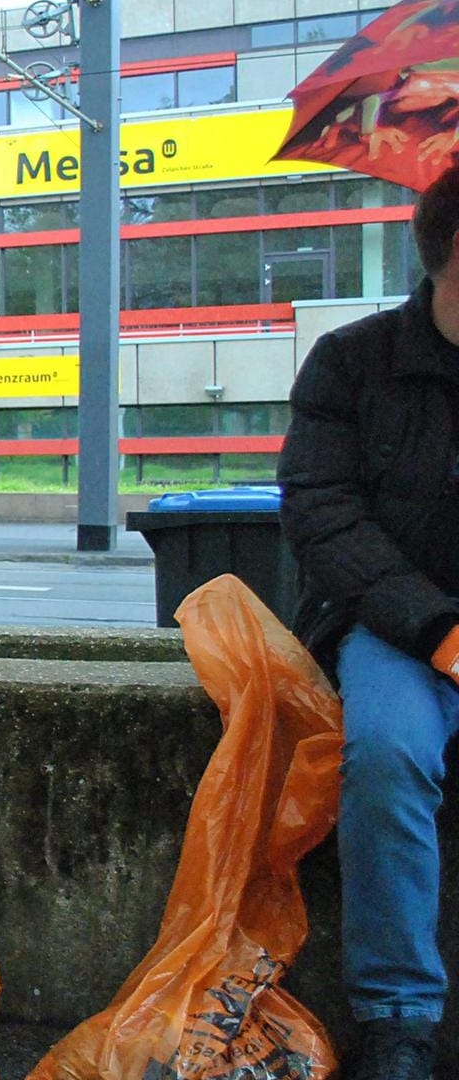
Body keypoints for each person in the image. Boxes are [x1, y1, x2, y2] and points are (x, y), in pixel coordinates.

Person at [278, 163, 459, 1080]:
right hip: (396, 629)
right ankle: (398, 1020)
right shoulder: (354, 362)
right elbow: (323, 515)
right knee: (387, 756)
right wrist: (438, 631)